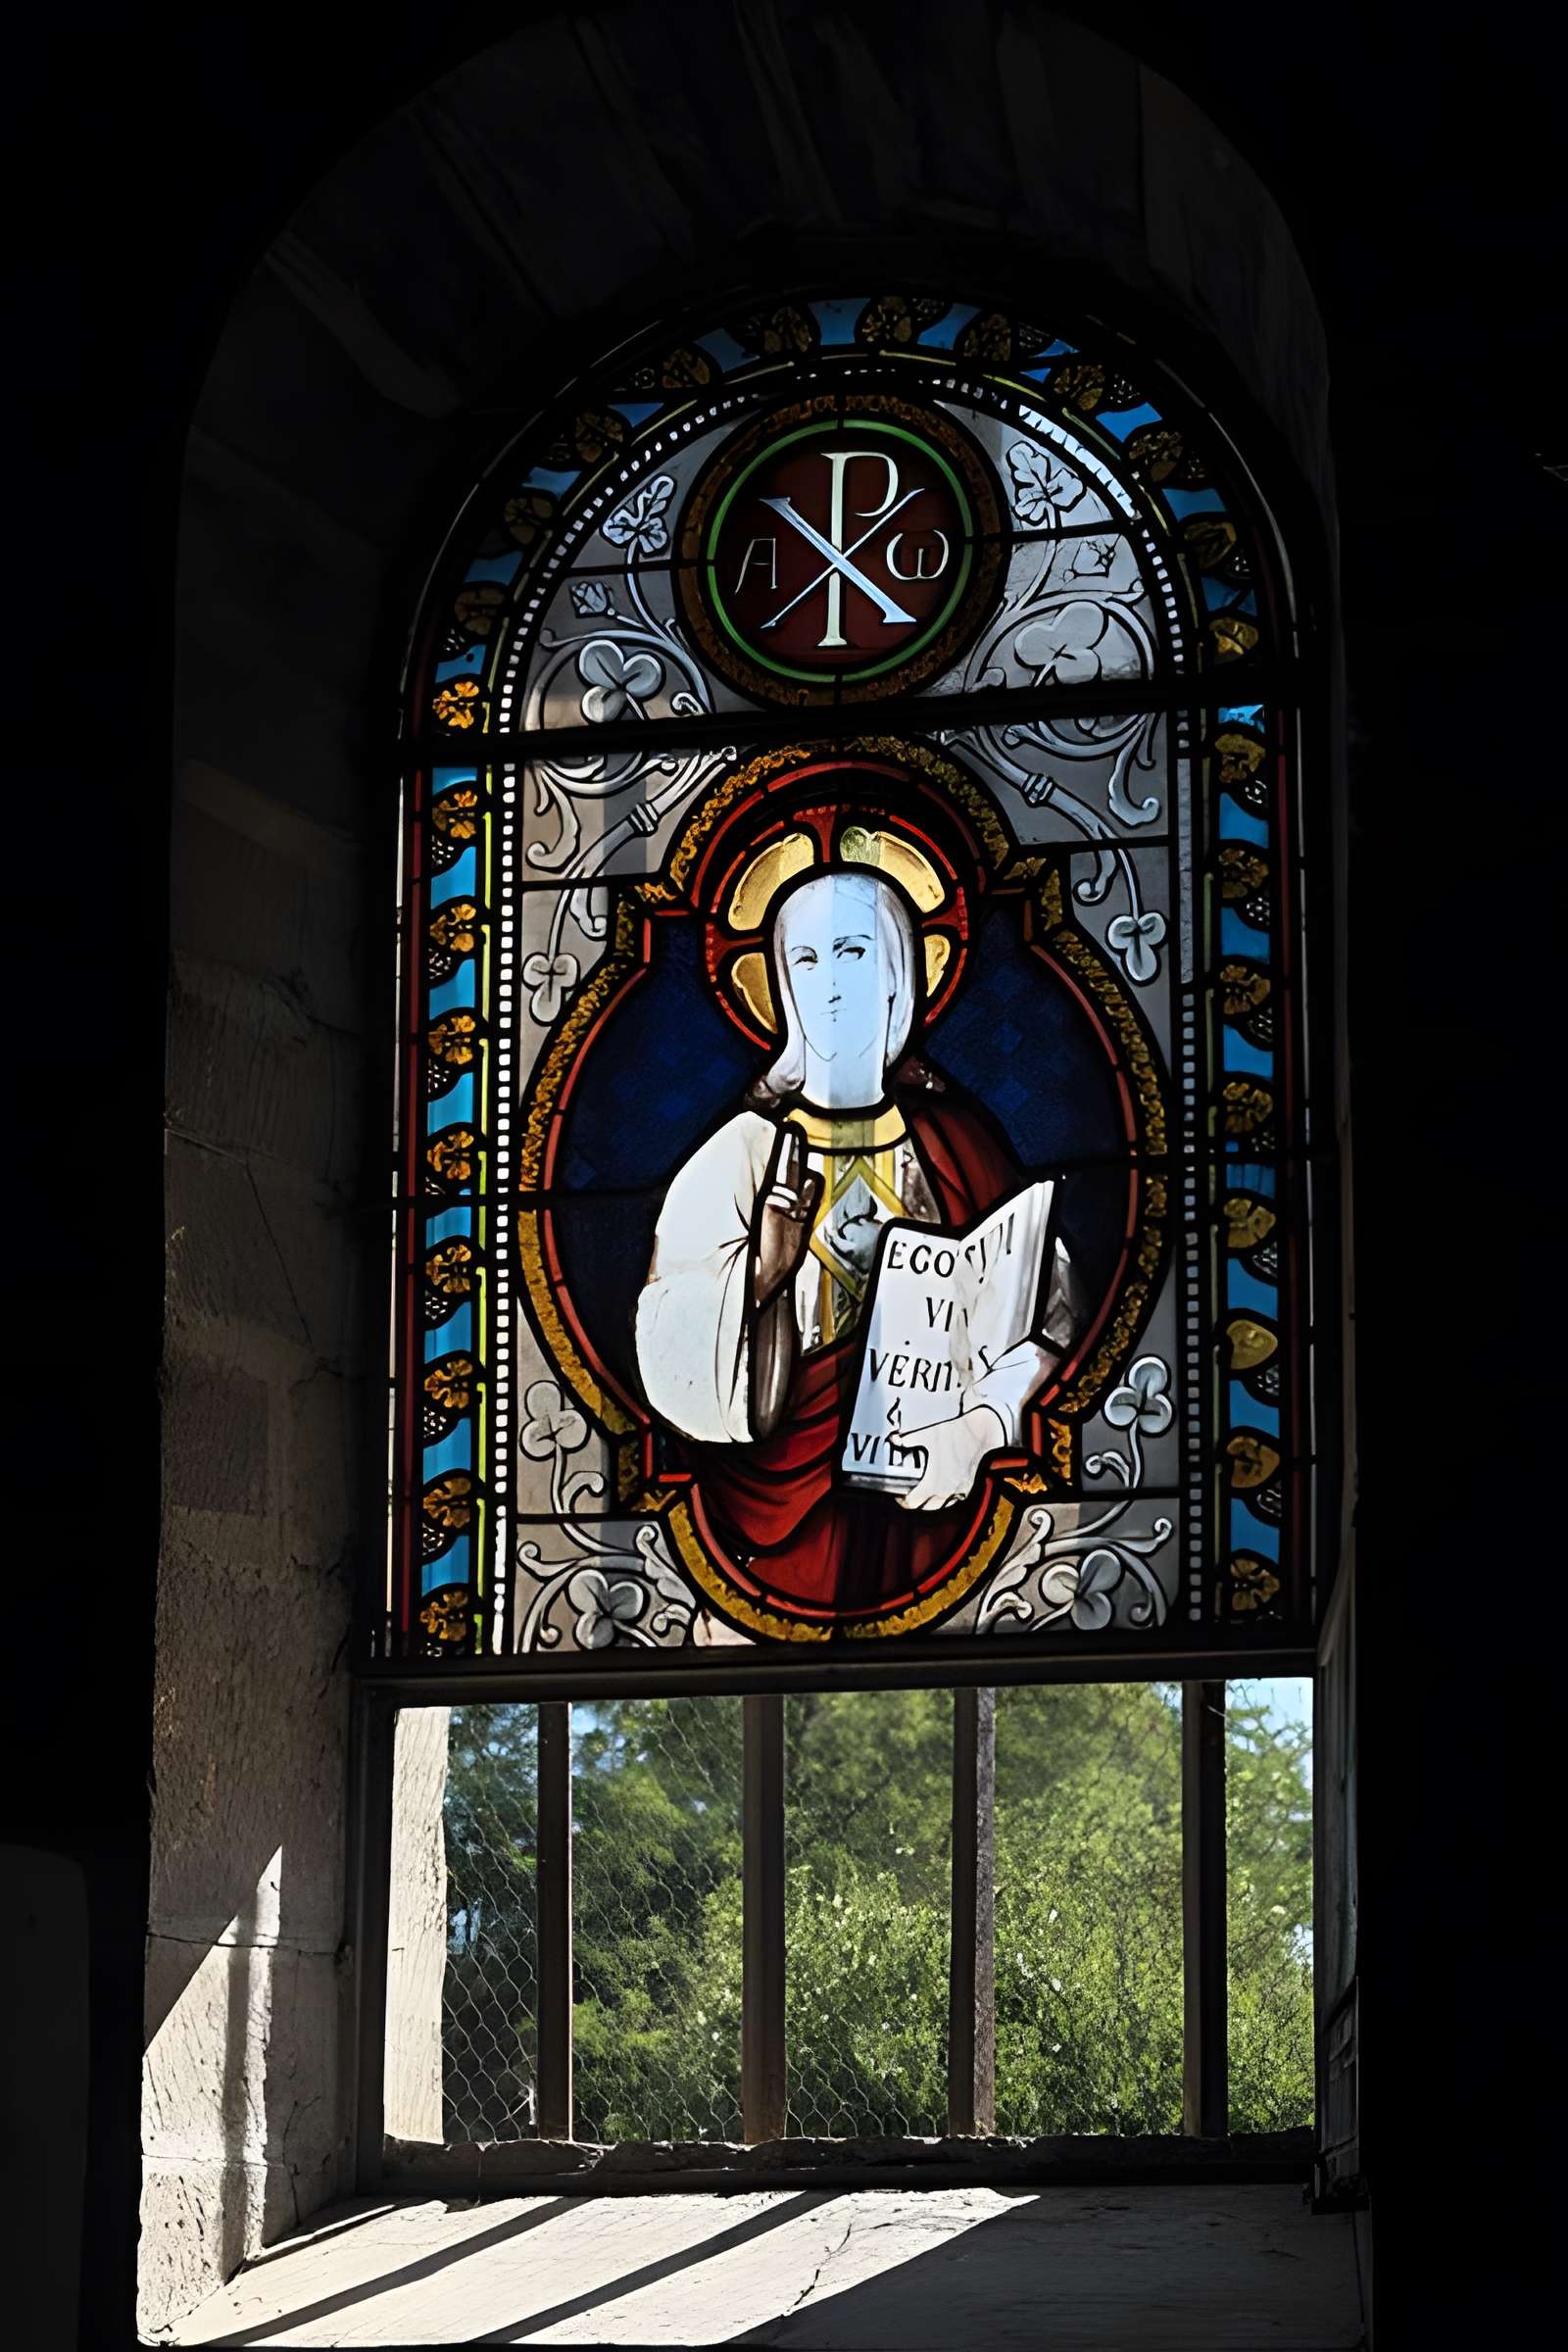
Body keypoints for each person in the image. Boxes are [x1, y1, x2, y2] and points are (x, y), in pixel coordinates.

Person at [634, 864, 1082, 1615]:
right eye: (804, 961)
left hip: (933, 1489)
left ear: (899, 975)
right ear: (777, 984)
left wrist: (985, 1423)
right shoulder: (740, 1153)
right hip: (775, 1495)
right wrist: (760, 1276)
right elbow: (665, 1336)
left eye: (853, 952)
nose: (829, 984)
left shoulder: (956, 1141)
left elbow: (1053, 1302)